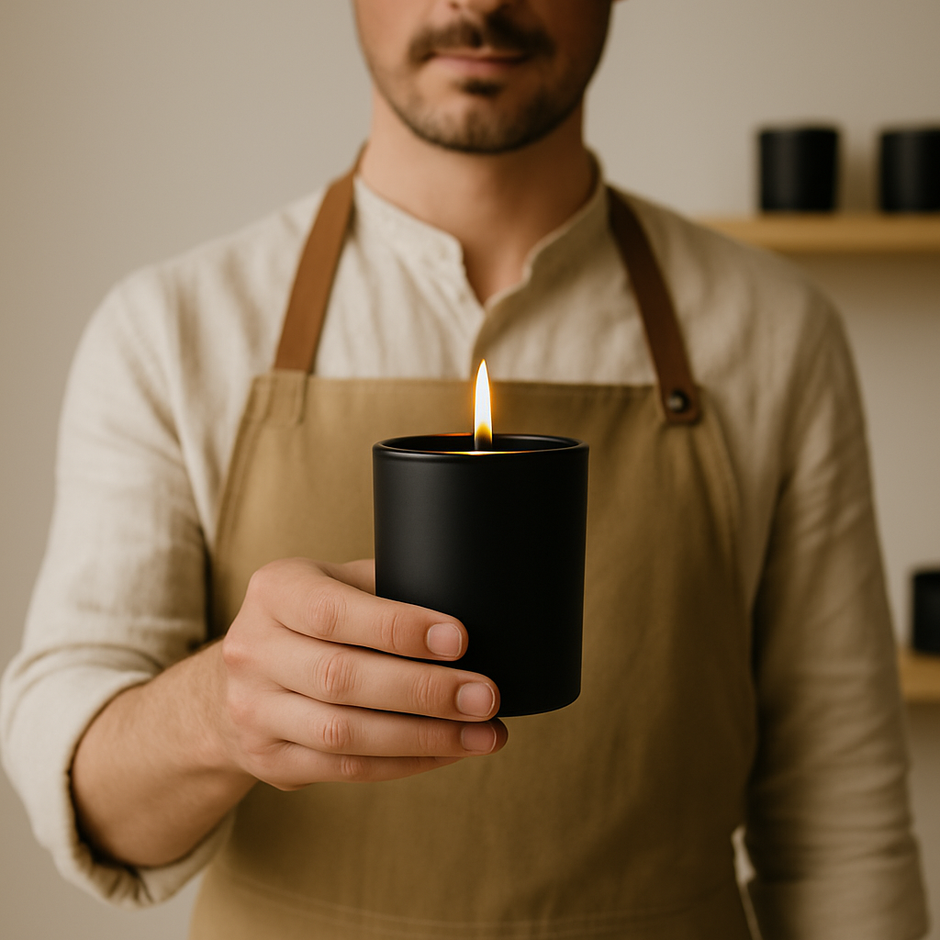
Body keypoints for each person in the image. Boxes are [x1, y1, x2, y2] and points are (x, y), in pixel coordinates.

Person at [0, 1, 929, 937]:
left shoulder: (776, 336)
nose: (477, 1)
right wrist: (216, 713)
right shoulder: (172, 329)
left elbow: (843, 829)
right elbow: (86, 789)